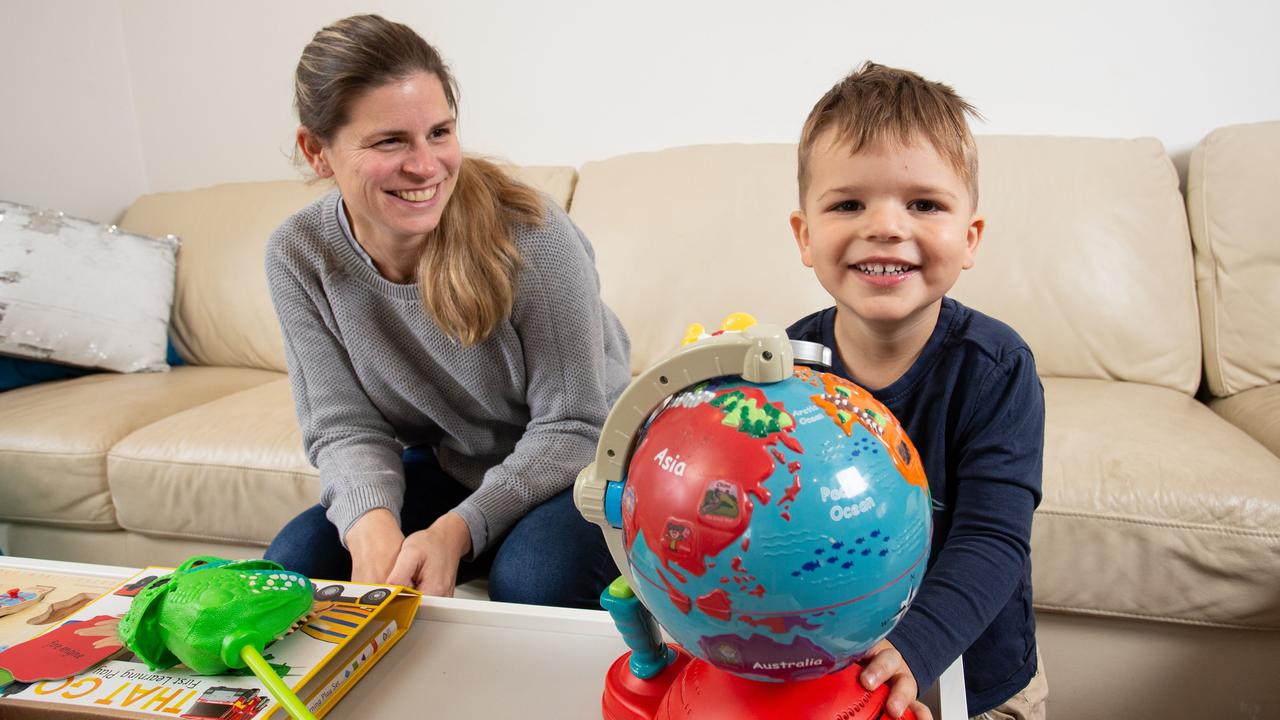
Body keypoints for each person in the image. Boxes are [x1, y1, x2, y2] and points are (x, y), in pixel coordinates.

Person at [263, 14, 630, 610]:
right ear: (317, 151)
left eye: (439, 133)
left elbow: (575, 427)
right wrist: (371, 525)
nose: (426, 166)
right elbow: (342, 426)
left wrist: (457, 530)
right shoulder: (298, 253)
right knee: (293, 570)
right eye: (390, 141)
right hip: (460, 465)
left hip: (589, 463)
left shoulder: (533, 236)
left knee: (535, 580)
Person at [786, 63, 1047, 720]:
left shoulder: (997, 367)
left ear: (969, 238)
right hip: (829, 675)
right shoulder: (783, 368)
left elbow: (993, 540)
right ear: (805, 236)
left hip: (979, 677)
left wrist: (915, 647)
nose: (885, 226)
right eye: (849, 204)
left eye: (924, 204)